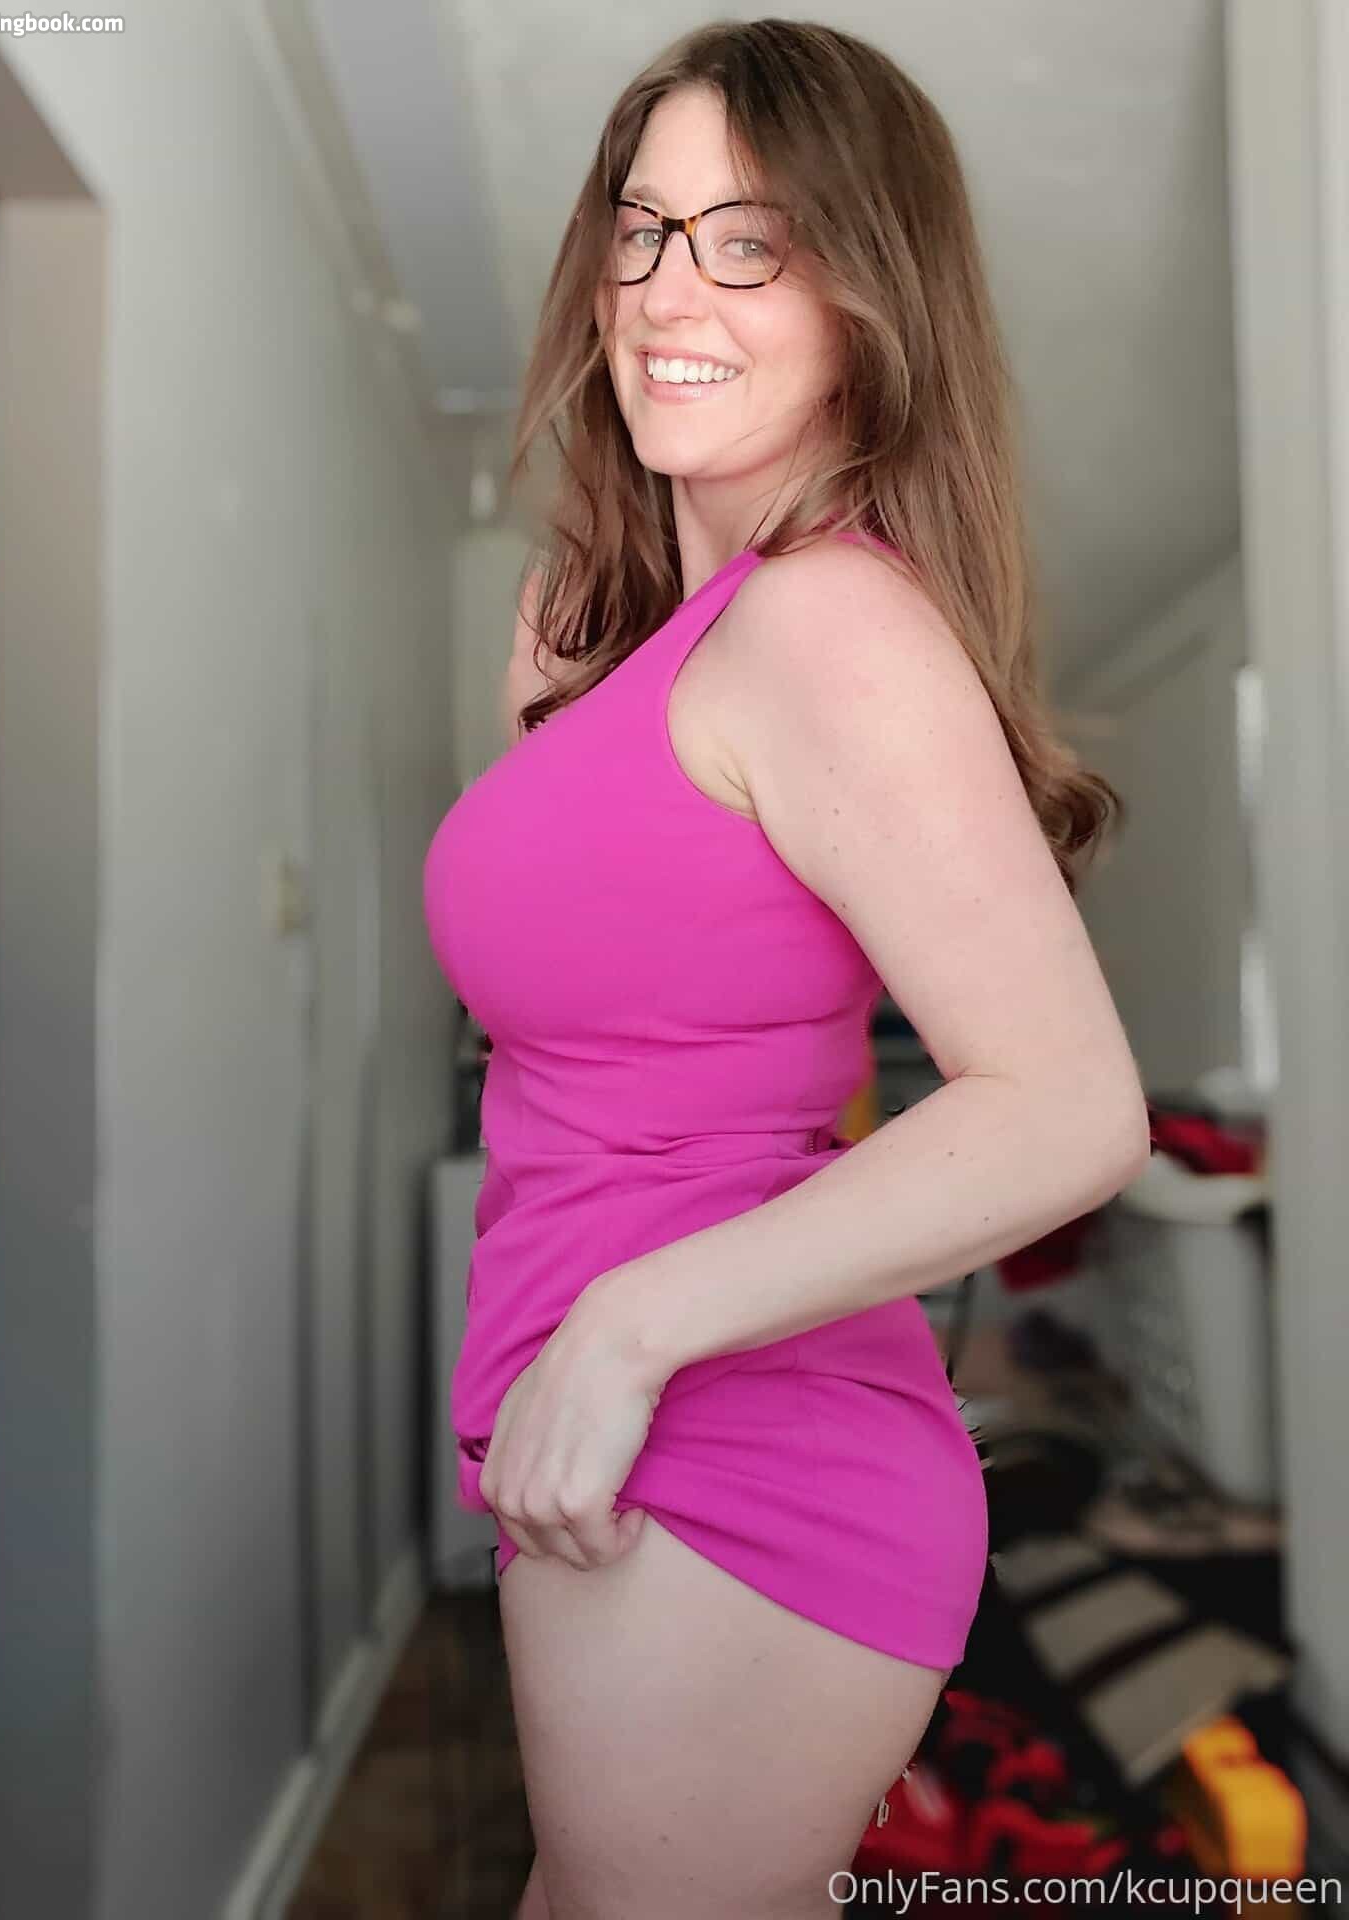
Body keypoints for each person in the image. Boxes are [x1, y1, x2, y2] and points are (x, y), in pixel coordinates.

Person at [421, 20, 1150, 1918]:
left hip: (724, 1445)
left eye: (751, 243)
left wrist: (622, 1332)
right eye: (643, 229)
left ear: (867, 299)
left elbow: (1069, 1108)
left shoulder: (829, 623)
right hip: (604, 1427)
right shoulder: (619, 634)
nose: (668, 291)